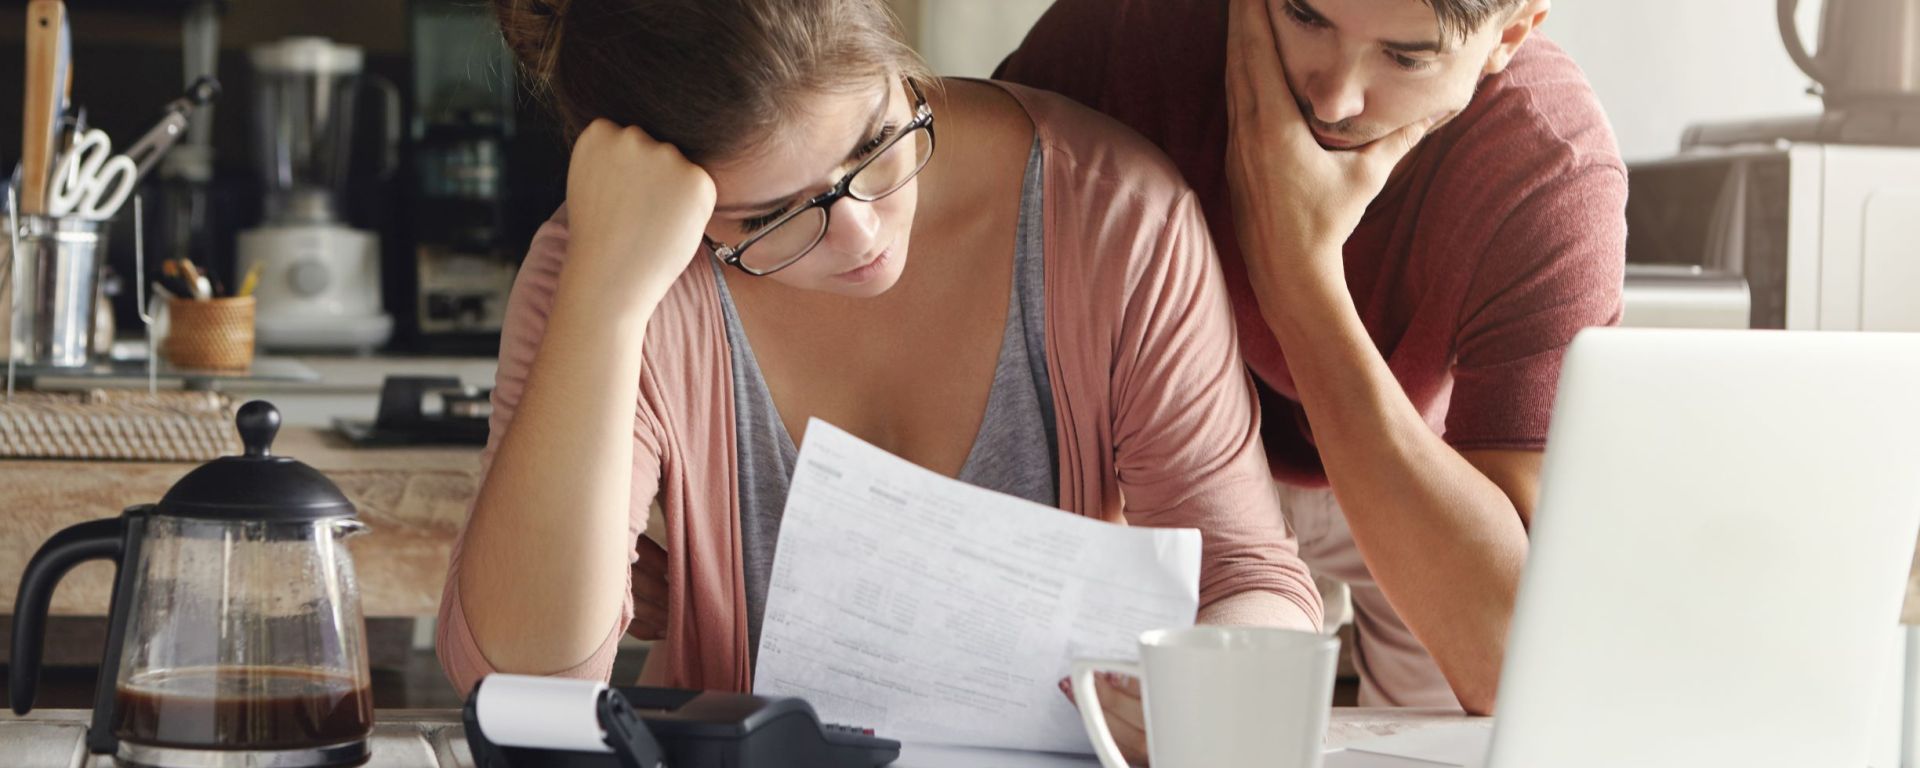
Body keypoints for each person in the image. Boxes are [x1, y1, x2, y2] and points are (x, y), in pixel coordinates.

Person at [435, 0, 1321, 757]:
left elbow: (1253, 577)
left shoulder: (1113, 214)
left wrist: (1204, 700)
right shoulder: (606, 270)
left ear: (901, 64)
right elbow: (521, 685)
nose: (862, 236)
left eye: (874, 142)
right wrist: (606, 303)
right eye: (771, 214)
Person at [996, 0, 1628, 714]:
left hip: (1420, 463)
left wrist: (1297, 275)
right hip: (1168, 467)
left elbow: (1511, 658)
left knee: (1464, 737)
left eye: (1406, 57)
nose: (1333, 96)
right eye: (1305, 16)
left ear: (1508, 37)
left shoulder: (1550, 166)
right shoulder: (1124, 31)